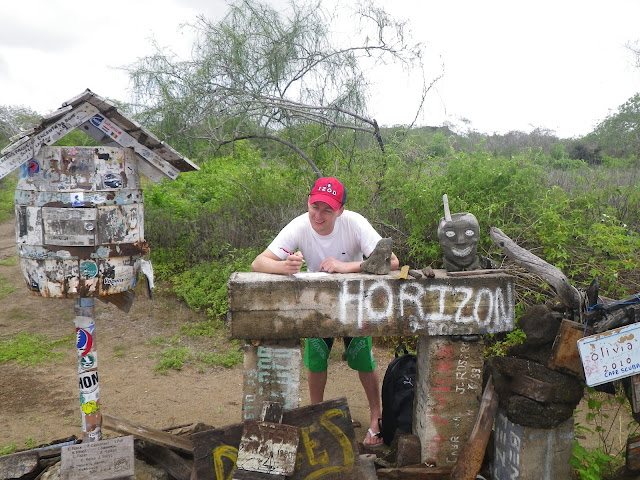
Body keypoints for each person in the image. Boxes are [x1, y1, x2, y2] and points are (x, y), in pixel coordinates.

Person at [251, 177, 399, 447]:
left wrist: (347, 266)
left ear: (340, 210)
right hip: (317, 301)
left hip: (354, 301)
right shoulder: (299, 224)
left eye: (327, 210)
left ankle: (376, 417)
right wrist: (284, 267)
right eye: (314, 207)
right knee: (316, 359)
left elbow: (391, 262)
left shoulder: (354, 223)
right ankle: (315, 416)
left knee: (362, 359)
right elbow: (258, 262)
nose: (318, 215)